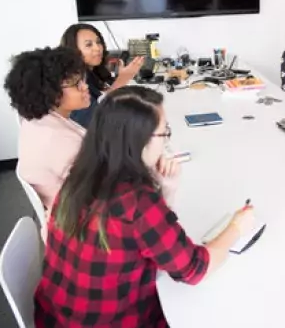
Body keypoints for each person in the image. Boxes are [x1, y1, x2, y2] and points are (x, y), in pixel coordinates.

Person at [34, 86, 256, 327]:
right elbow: (196, 269)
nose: (166, 141)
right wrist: (236, 227)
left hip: (57, 317)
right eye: (164, 133)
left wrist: (167, 188)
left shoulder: (80, 175)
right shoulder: (136, 202)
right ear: (139, 141)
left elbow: (148, 238)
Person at [3, 47, 90, 218]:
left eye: (82, 79)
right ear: (49, 92)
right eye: (75, 83)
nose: (85, 86)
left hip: (64, 209)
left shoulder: (34, 122)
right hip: (80, 224)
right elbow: (100, 195)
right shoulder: (63, 143)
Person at [60, 23, 144, 128]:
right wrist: (121, 81)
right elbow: (93, 121)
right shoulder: (71, 83)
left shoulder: (94, 73)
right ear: (73, 49)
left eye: (98, 42)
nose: (97, 48)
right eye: (88, 45)